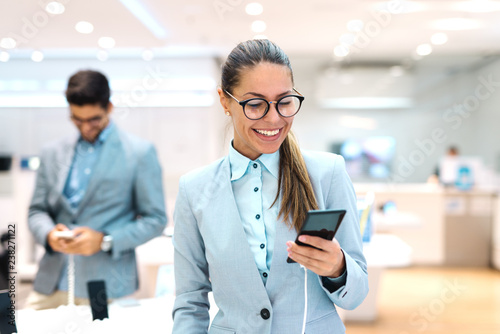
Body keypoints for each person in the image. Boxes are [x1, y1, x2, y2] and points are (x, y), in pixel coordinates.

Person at [172, 40, 368, 333]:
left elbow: (357, 292)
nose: (274, 118)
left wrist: (337, 268)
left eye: (285, 101)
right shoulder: (194, 189)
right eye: (255, 104)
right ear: (225, 102)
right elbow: (190, 300)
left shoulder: (328, 173)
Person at [26, 70, 167, 310]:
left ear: (109, 107)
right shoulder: (52, 152)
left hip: (105, 286)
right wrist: (49, 234)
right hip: (50, 283)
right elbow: (36, 211)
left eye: (94, 119)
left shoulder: (139, 153)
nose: (86, 127)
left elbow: (156, 219)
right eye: (77, 120)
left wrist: (105, 240)